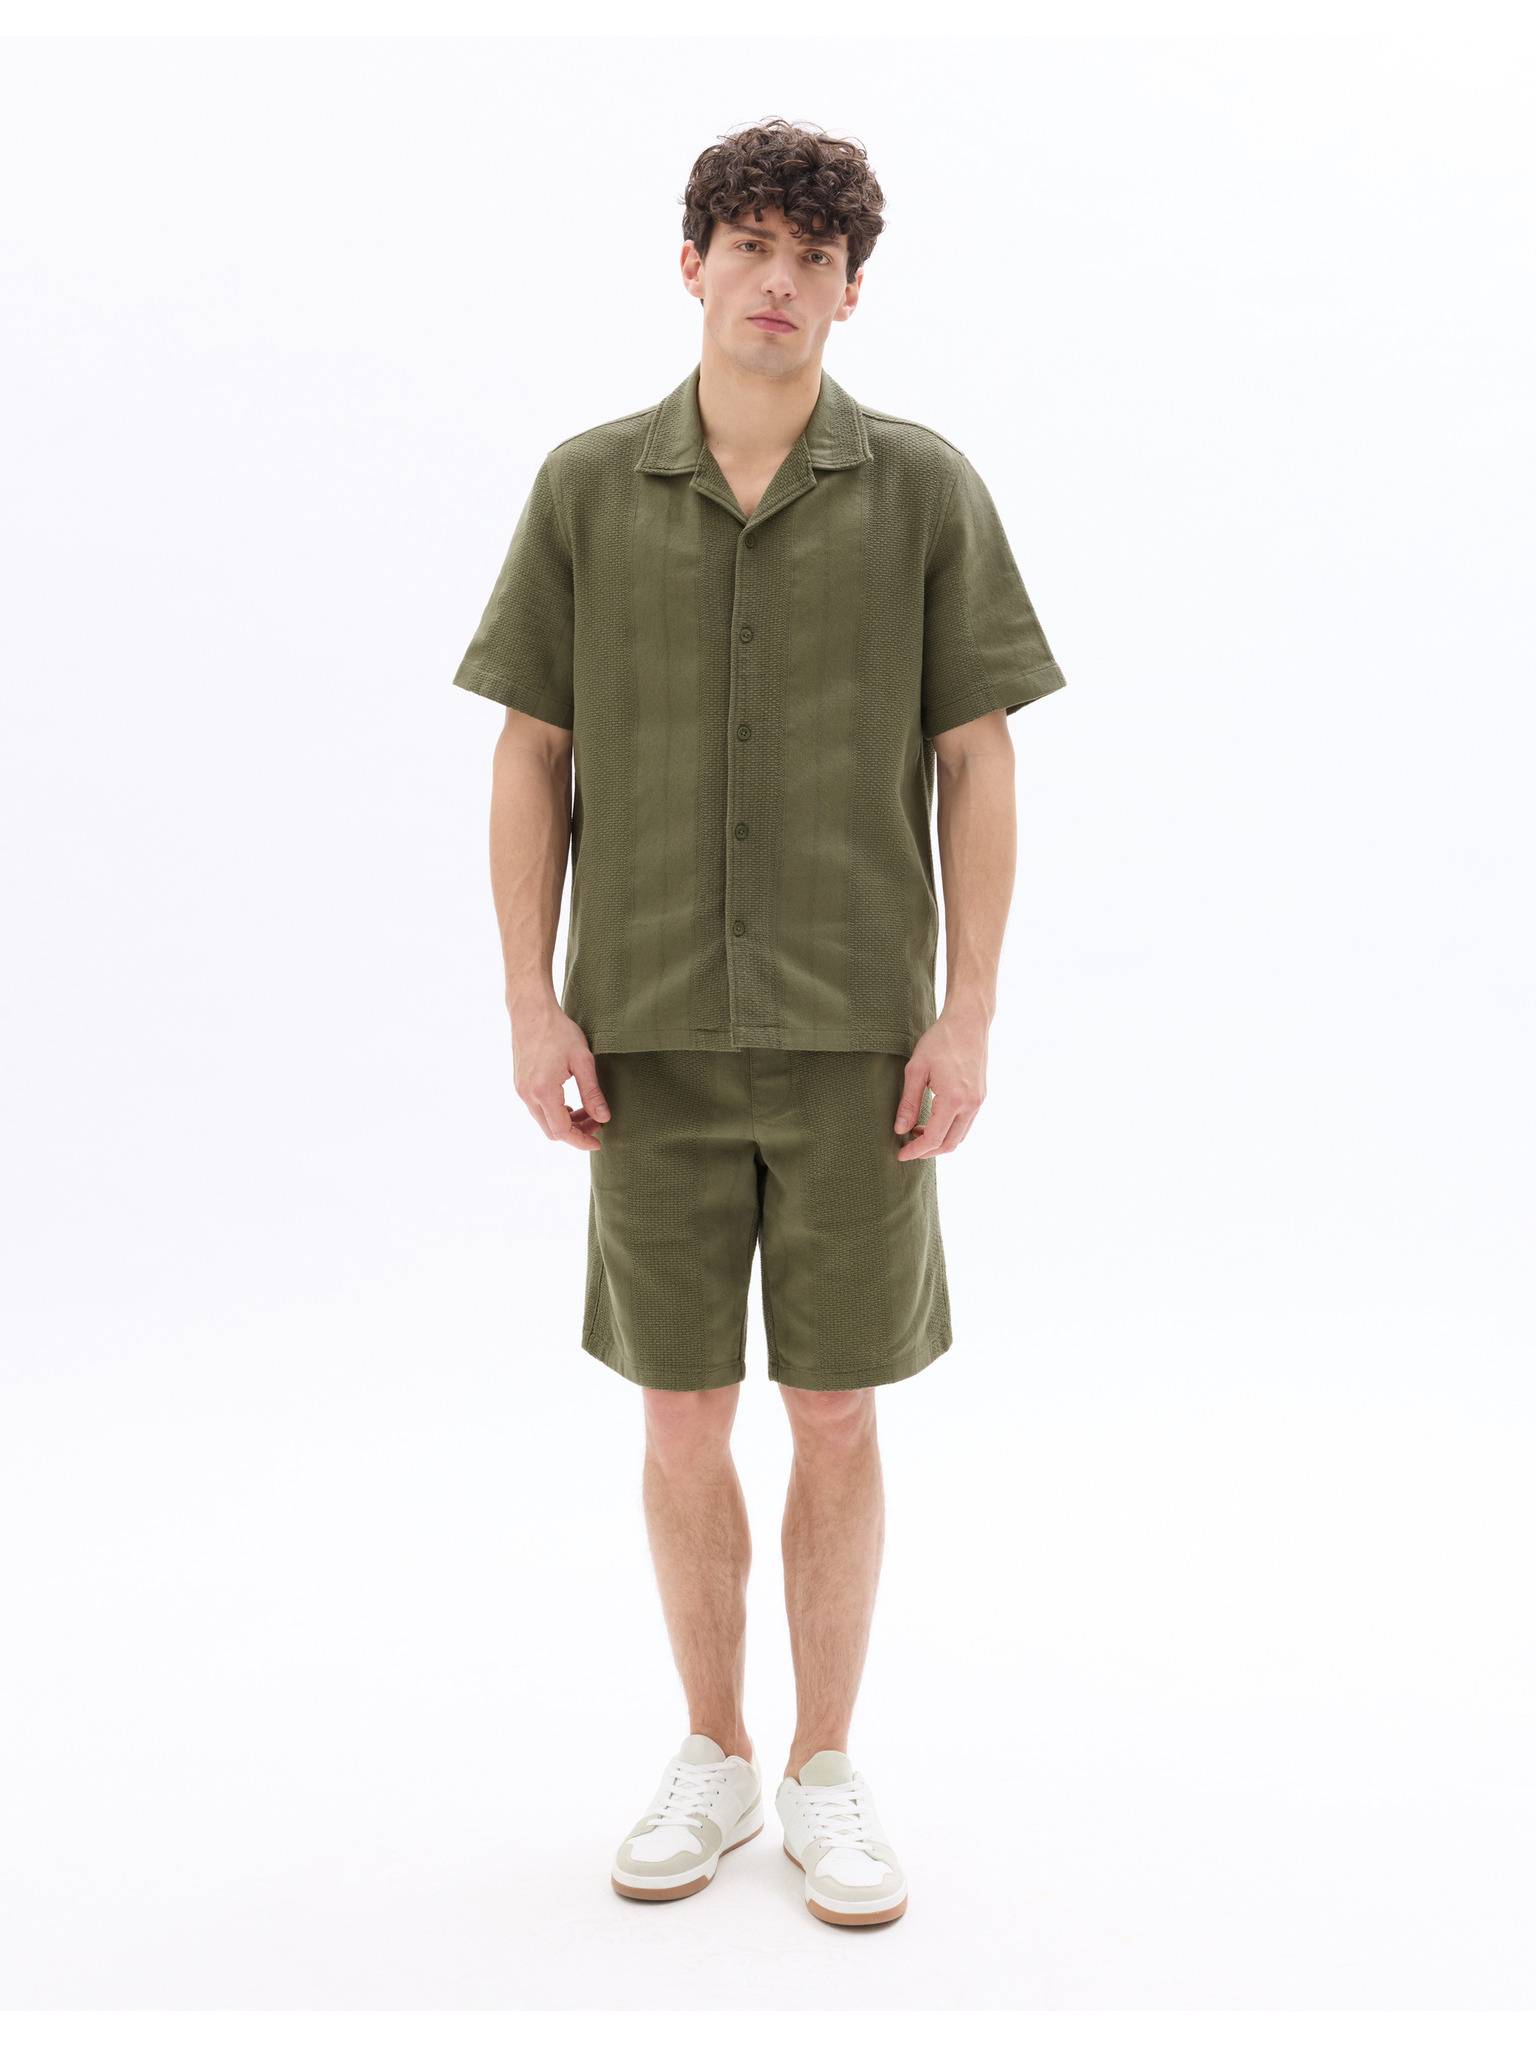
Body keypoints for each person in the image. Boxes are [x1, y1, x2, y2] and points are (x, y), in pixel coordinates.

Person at [451, 118, 1066, 1927]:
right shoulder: (586, 487)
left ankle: (826, 1770)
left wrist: (967, 1014)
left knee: (840, 1411)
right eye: (751, 247)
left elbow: (978, 758)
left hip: (858, 1038)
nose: (779, 282)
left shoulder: (925, 490)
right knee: (678, 1415)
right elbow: (532, 750)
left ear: (853, 291)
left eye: (815, 257)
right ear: (694, 264)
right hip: (642, 1029)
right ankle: (712, 1752)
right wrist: (529, 997)